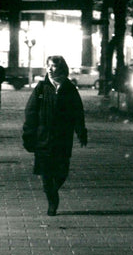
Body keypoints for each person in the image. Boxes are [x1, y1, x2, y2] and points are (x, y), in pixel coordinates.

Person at [22, 55, 88, 216]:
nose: (50, 69)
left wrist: (81, 131)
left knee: (62, 172)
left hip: (62, 137)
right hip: (43, 137)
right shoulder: (41, 88)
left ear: (62, 68)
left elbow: (77, 112)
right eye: (48, 66)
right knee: (45, 173)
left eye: (53, 66)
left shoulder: (69, 88)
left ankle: (52, 190)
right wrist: (29, 134)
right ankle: (52, 201)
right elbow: (31, 111)